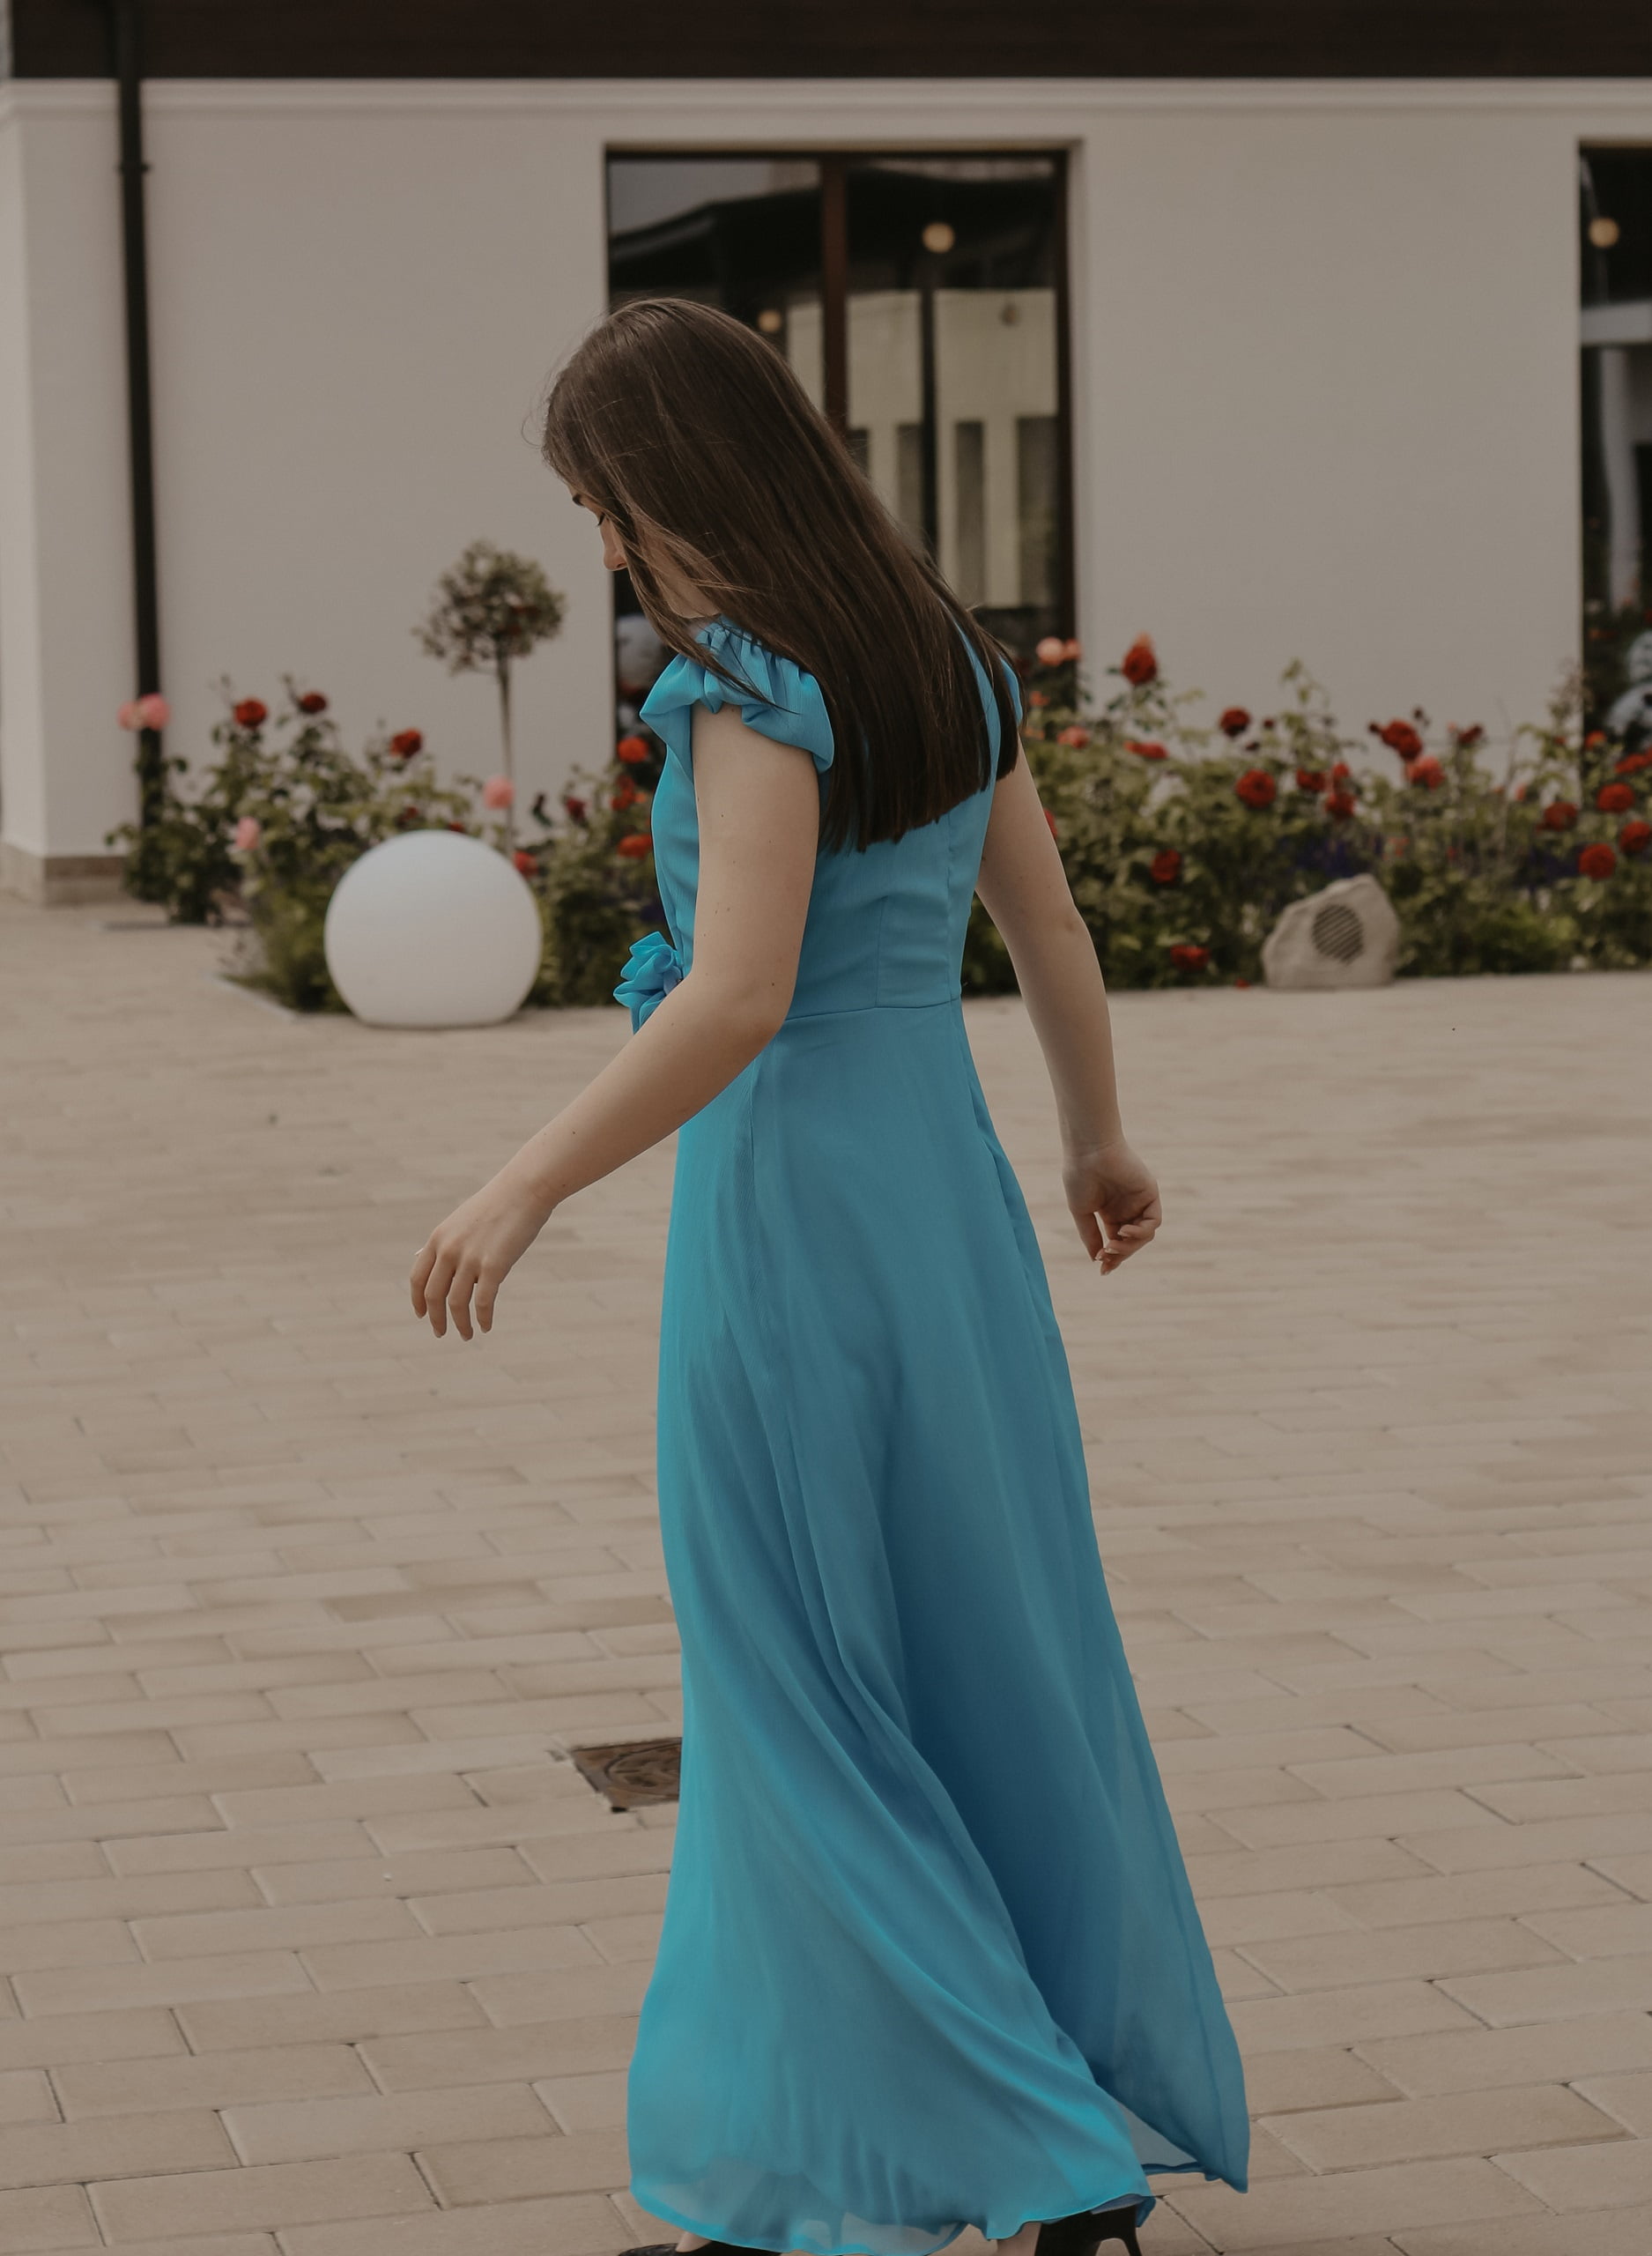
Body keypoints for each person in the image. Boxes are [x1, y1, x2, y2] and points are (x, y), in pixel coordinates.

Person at [410, 298, 1248, 2256]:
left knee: (792, 1686)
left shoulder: (743, 682)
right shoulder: (946, 660)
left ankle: (985, 2149)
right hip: (945, 1205)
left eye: (598, 499)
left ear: (668, 481)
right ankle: (954, 2142)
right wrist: (1094, 1142)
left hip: (789, 1210)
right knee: (982, 1656)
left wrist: (523, 1183)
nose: (600, 540)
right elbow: (1047, 928)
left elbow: (737, 997)